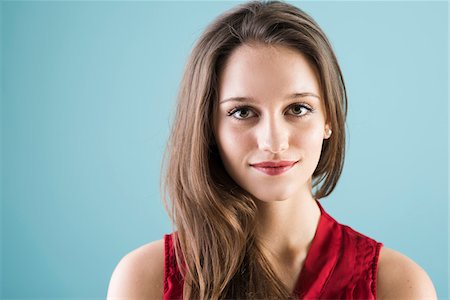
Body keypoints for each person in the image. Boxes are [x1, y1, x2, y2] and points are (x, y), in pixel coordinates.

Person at [107, 1, 437, 299]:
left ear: (329, 119)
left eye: (298, 109)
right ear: (208, 127)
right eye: (242, 112)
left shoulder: (397, 285)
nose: (273, 141)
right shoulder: (144, 280)